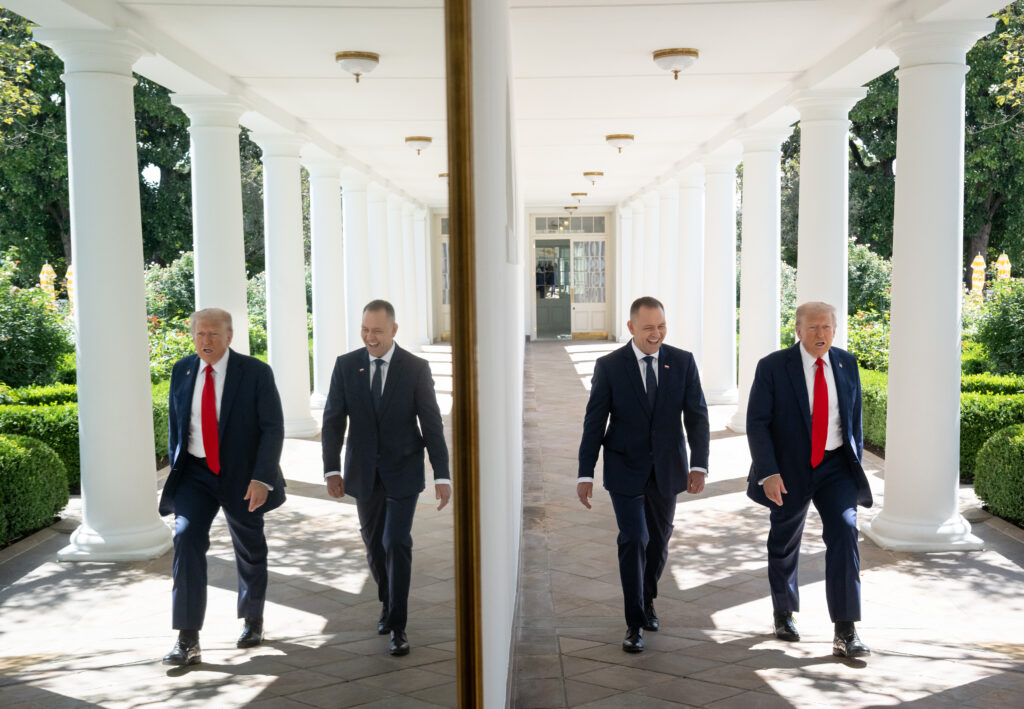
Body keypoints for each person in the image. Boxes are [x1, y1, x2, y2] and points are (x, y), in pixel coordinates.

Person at [577, 296, 710, 653]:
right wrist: (585, 472)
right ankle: (634, 622)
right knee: (634, 538)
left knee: (659, 541)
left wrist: (699, 466)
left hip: (668, 469)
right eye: (649, 327)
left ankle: (647, 597)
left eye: (661, 326)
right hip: (624, 467)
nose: (656, 334)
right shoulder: (610, 366)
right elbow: (594, 422)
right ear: (631, 327)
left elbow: (697, 417)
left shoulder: (682, 362)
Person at [321, 299, 451, 656]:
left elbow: (432, 424)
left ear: (393, 330)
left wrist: (442, 475)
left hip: (403, 469)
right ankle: (386, 601)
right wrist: (332, 469)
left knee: (396, 541)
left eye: (377, 331)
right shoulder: (346, 366)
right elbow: (333, 421)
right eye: (365, 330)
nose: (370, 337)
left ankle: (398, 624)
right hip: (363, 473)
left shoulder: (415, 368)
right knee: (374, 544)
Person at [745, 301, 872, 658]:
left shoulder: (847, 363)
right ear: (798, 330)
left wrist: (855, 463)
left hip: (835, 466)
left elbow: (854, 420)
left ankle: (846, 630)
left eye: (827, 327)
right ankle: (783, 611)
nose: (820, 334)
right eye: (813, 327)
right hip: (789, 469)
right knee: (785, 539)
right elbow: (757, 423)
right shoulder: (773, 366)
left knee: (845, 532)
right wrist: (769, 472)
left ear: (835, 329)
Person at [160, 308, 286, 666]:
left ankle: (253, 618)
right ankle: (187, 638)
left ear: (229, 336)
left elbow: (272, 428)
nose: (206, 340)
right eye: (200, 333)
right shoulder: (182, 370)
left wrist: (262, 478)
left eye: (213, 334)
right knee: (185, 538)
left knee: (249, 545)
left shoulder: (255, 372)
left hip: (242, 476)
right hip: (195, 473)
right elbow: (176, 425)